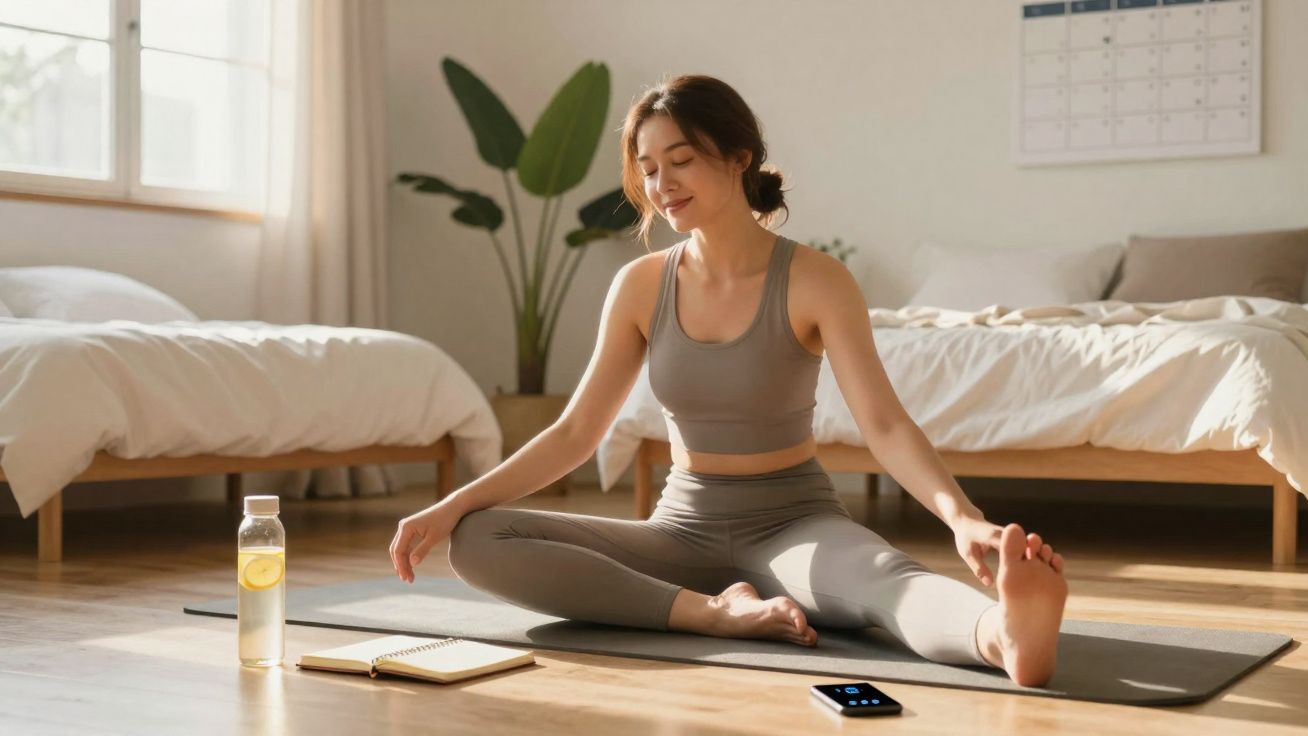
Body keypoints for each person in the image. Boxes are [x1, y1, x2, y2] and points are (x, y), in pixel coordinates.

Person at [390, 74, 1068, 687]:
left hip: (794, 524)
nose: (662, 185)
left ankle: (1001, 636)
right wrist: (451, 506)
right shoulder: (639, 286)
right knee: (478, 539)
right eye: (649, 169)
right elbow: (575, 433)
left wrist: (963, 519)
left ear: (739, 157)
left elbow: (884, 425)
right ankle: (710, 612)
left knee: (887, 584)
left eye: (681, 160)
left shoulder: (814, 280)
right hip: (679, 533)